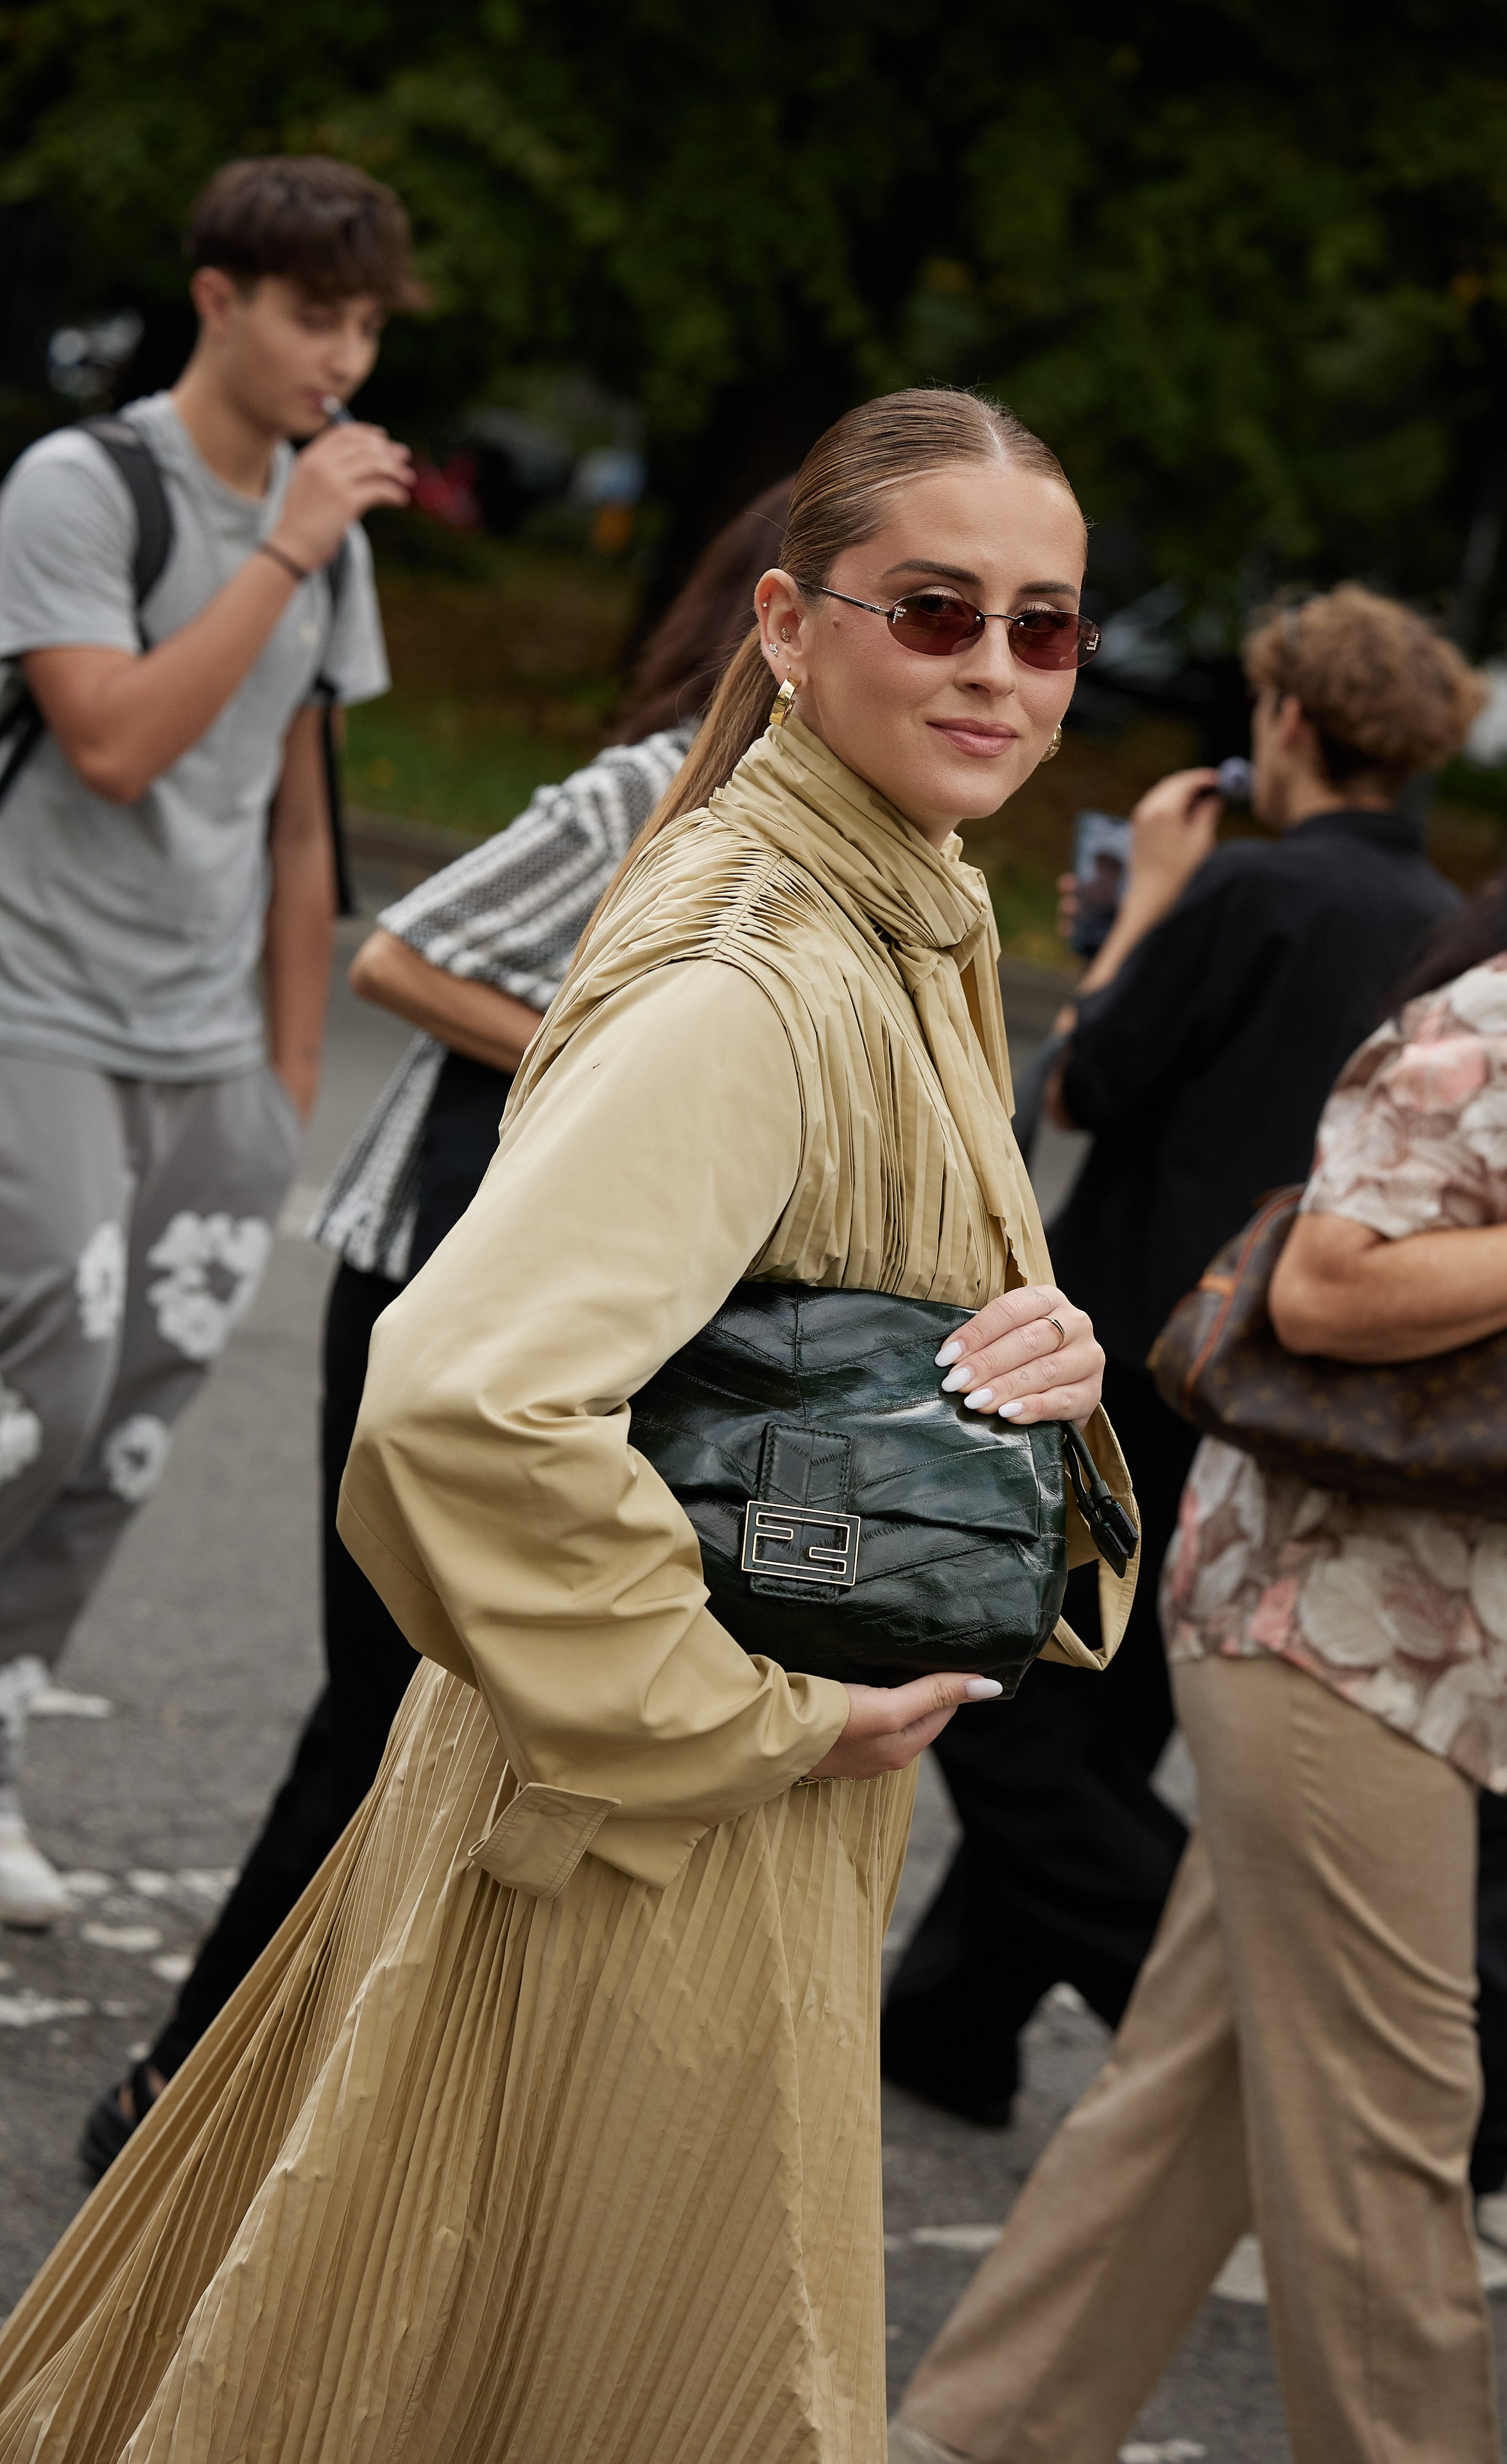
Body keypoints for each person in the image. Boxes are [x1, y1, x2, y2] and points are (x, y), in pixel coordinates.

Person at [0, 386, 1137, 2464]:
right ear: (790, 626)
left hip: (706, 1813)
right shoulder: (758, 959)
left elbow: (790, 1326)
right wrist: (748, 1715)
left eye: (1044, 627)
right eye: (938, 608)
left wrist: (1017, 1364)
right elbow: (458, 1406)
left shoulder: (908, 909)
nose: (994, 666)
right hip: (640, 1841)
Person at [892, 710, 1507, 2464]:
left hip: (1428, 1647)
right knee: (1394, 2126)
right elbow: (1326, 1289)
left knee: (1192, 2109)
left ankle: (969, 2438)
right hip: (1334, 1637)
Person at [78, 477, 794, 2176]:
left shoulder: (836, 863)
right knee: (379, 1706)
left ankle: (322, 2108)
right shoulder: (660, 786)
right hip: (429, 1274)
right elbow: (405, 952)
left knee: (475, 1723)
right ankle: (173, 2099)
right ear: (784, 615)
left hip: (587, 1330)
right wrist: (606, 1066)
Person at [884, 585, 1476, 2115]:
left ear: (1285, 719)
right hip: (1283, 1373)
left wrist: (1146, 903)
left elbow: (1085, 1084)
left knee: (1000, 1714)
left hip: (1132, 1345)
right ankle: (951, 2024)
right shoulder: (1448, 934)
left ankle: (1232, 2004)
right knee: (1108, 1707)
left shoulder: (1247, 891)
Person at [0, 155, 413, 1924]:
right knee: (51, 1377)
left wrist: (289, 1077)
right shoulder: (83, 487)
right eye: (318, 313)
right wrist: (286, 542)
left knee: (136, 1427)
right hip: (34, 1001)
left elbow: (298, 814)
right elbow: (113, 741)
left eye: (371, 321)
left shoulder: (330, 534)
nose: (347, 354)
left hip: (211, 1053)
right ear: (220, 298)